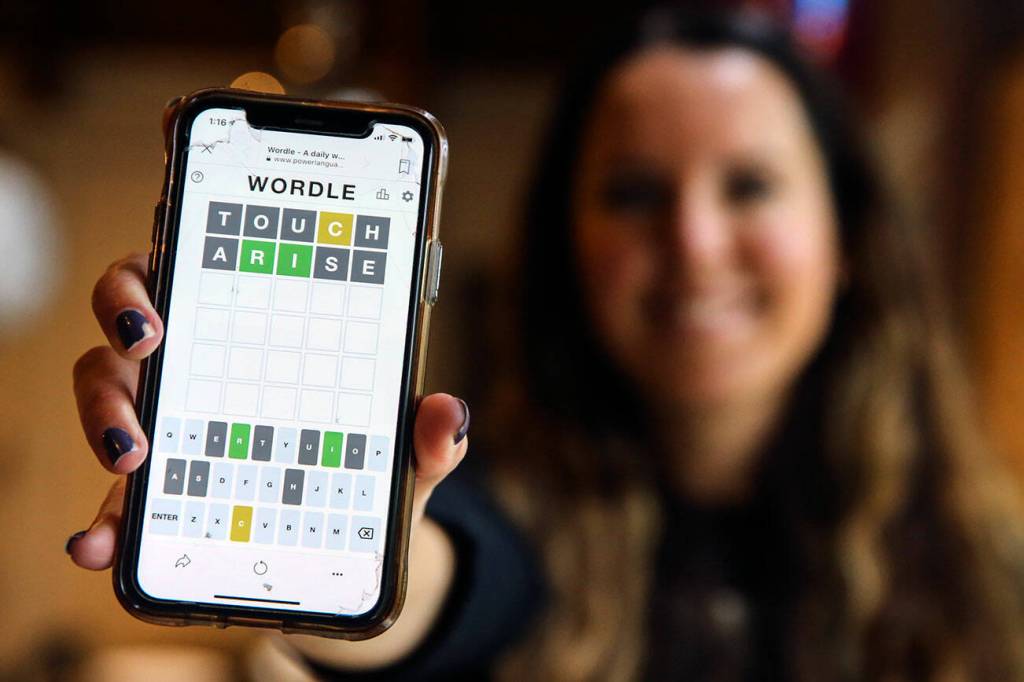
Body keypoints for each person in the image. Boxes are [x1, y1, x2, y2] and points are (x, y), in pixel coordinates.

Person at [68, 7, 1024, 681]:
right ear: (570, 245)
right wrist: (363, 547)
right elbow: (456, 582)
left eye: (750, 187)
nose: (692, 241)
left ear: (846, 241)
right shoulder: (511, 518)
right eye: (635, 193)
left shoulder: (998, 568)